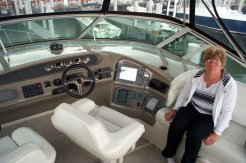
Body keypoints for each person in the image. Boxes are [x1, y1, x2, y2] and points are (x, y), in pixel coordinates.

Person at [161, 46, 237, 163]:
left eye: (216, 62)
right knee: (176, 126)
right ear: (204, 63)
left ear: (222, 66)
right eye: (209, 61)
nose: (212, 64)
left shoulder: (228, 84)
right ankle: (169, 155)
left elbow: (227, 111)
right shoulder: (197, 76)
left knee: (194, 135)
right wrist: (175, 110)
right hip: (192, 107)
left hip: (209, 115)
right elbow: (184, 94)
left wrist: (217, 133)